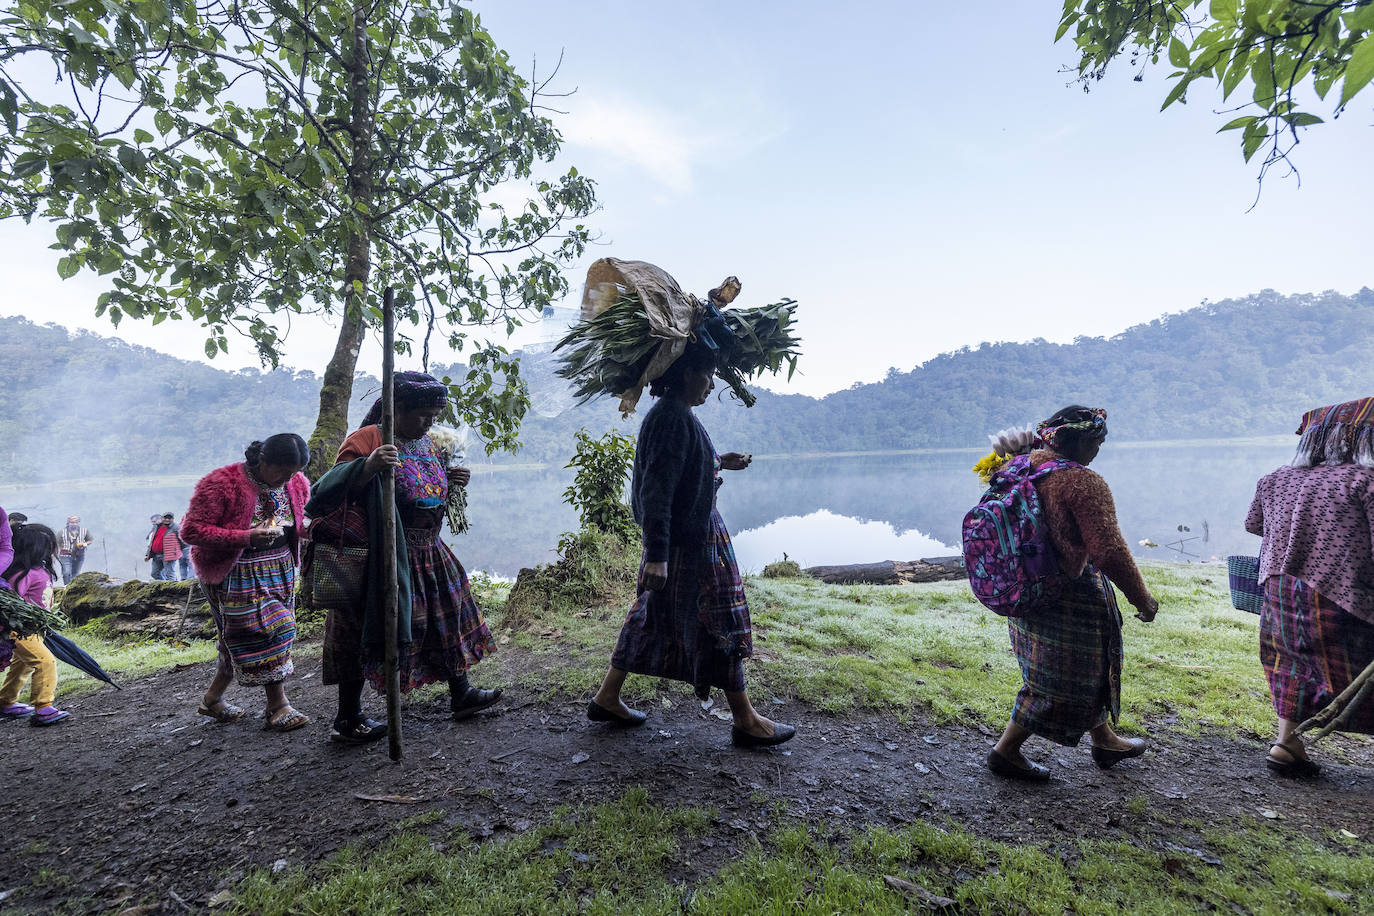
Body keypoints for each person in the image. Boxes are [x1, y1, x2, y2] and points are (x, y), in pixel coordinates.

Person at [588, 343, 795, 747]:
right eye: (707, 375)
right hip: (689, 547)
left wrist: (718, 461)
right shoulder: (671, 417)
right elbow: (656, 490)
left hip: (687, 541)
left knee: (650, 617)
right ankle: (745, 719)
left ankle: (607, 697)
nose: (711, 384)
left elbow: (682, 470)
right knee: (722, 622)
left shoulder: (677, 414)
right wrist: (658, 556)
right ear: (685, 374)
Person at [303, 371, 501, 744]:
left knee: (446, 621)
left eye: (434, 416)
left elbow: (423, 490)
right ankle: (348, 718)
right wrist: (367, 467)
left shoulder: (427, 443)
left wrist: (452, 480)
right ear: (397, 409)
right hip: (382, 559)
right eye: (422, 414)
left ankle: (461, 693)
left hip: (429, 552)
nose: (428, 422)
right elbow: (322, 494)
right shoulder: (367, 440)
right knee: (361, 633)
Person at [986, 406, 1159, 781]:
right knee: (1061, 680)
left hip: (1024, 588)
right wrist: (1142, 599)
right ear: (1080, 442)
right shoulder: (1081, 482)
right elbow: (1109, 551)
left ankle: (1105, 740)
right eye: (1097, 443)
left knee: (1079, 670)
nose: (1098, 450)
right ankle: (1006, 751)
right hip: (1067, 595)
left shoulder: (1019, 466)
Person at [1245, 397, 1374, 777]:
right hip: (1346, 596)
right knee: (1357, 672)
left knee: (1290, 665)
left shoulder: (1274, 479)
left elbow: (1254, 524)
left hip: (1281, 592)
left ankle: (1286, 744)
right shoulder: (1364, 481)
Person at [180, 434, 312, 731]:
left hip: (279, 569)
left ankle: (212, 700)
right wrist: (246, 537)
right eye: (281, 471)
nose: (287, 479)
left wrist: (310, 528)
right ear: (261, 460)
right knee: (269, 629)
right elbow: (191, 531)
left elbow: (300, 521)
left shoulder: (296, 482)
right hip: (233, 571)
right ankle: (278, 705)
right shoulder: (221, 483)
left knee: (236, 638)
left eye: (293, 472)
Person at [0, 523, 72, 725]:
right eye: (48, 546)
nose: (51, 551)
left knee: (21, 666)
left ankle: (5, 701)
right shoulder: (23, 575)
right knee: (45, 662)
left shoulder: (41, 570)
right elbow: (12, 603)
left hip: (35, 629)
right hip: (20, 631)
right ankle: (44, 707)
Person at [57, 515, 93, 584]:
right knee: (66, 573)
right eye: (72, 523)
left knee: (75, 573)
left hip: (79, 555)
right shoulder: (61, 532)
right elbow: (57, 542)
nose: (74, 524)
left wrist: (84, 544)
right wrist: (60, 549)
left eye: (76, 522)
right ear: (68, 523)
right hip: (65, 556)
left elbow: (90, 540)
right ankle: (66, 586)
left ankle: (72, 588)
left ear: (79, 523)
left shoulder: (84, 531)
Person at [146, 513, 180, 581]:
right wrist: (148, 554)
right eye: (165, 518)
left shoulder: (175, 527)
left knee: (169, 574)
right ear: (162, 518)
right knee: (154, 574)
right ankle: (164, 585)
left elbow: (182, 540)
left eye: (169, 518)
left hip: (168, 555)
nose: (167, 520)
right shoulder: (156, 527)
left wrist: (176, 551)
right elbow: (151, 541)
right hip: (156, 555)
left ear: (172, 519)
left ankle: (172, 586)